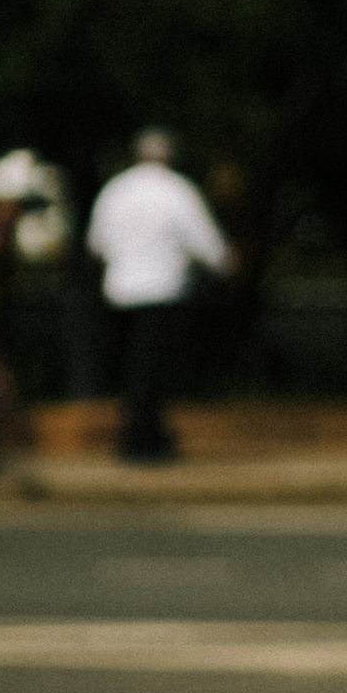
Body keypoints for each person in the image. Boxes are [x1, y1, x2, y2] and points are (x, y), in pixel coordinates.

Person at [85, 131, 231, 465]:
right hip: (162, 290)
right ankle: (142, 438)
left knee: (133, 366)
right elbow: (204, 239)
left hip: (120, 291)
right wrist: (224, 261)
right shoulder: (177, 190)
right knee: (150, 368)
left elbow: (95, 244)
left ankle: (142, 434)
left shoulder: (115, 190)